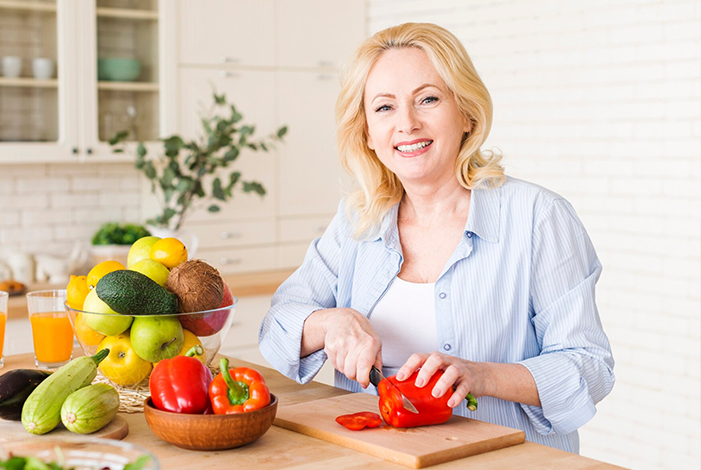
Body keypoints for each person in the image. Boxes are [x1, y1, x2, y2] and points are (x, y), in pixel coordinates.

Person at [258, 22, 614, 452]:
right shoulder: (358, 221)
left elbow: (589, 367)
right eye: (384, 108)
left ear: (466, 113)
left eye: (427, 99)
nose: (406, 124)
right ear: (368, 133)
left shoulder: (539, 217)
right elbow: (278, 324)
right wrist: (331, 322)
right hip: (378, 458)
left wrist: (481, 375)